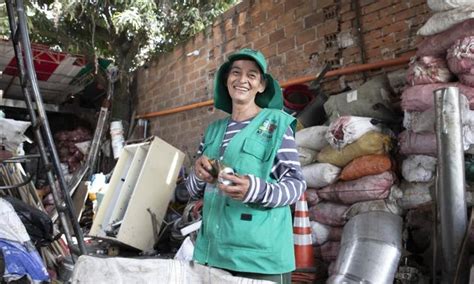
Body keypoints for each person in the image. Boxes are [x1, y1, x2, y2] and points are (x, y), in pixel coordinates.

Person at [185, 48, 307, 283]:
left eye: (252, 75)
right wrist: (200, 175)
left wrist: (255, 190)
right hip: (214, 253)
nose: (242, 80)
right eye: (236, 73)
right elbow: (192, 191)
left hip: (260, 259)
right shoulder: (213, 131)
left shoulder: (276, 125)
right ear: (226, 80)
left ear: (261, 85)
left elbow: (296, 185)